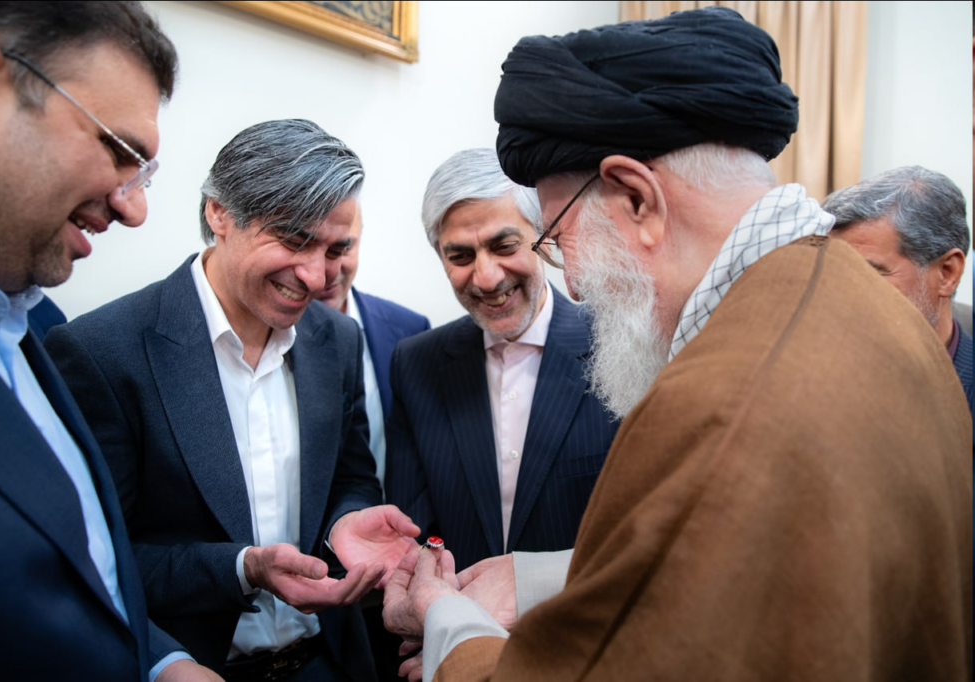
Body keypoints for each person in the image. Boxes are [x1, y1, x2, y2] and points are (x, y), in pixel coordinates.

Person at [383, 8, 972, 681]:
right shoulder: (880, 309)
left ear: (637, 198)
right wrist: (533, 578)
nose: (572, 283)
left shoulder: (726, 401)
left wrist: (445, 616)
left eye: (558, 239)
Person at [45, 119, 420, 680]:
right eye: (294, 239)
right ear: (219, 214)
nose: (317, 276)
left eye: (336, 249)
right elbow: (96, 557)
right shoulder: (103, 352)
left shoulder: (337, 339)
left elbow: (351, 477)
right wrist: (243, 568)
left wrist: (346, 523)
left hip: (332, 663)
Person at [0, 2, 222, 679]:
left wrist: (162, 663)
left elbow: (79, 575)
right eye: (120, 152)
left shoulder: (37, 326)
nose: (134, 208)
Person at [386, 148, 619, 575]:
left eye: (504, 246)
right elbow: (413, 530)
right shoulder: (415, 364)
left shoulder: (618, 345)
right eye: (460, 256)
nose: (487, 277)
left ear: (543, 235)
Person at [823, 166, 973, 436]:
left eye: (870, 272)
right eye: (834, 271)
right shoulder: (810, 375)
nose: (841, 293)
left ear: (947, 273)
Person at [314, 209, 430, 492]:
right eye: (307, 246)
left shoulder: (410, 331)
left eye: (343, 247)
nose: (328, 269)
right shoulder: (265, 334)